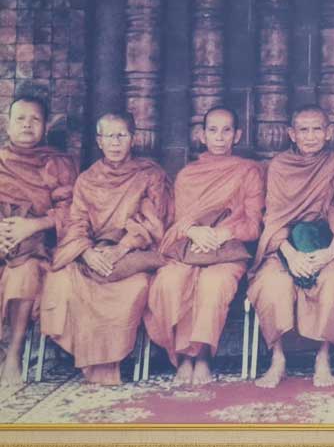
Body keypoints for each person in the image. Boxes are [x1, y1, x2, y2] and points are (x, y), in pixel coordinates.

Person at [41, 111, 172, 385]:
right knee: (61, 280)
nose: (115, 142)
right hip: (94, 254)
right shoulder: (87, 179)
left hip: (134, 256)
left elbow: (156, 222)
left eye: (121, 135)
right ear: (99, 141)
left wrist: (122, 248)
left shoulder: (149, 175)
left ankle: (110, 361)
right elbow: (76, 223)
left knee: (136, 287)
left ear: (133, 139)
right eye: (109, 136)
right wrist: (86, 252)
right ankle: (89, 358)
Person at [145, 106, 264, 385]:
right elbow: (177, 222)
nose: (219, 137)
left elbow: (253, 225)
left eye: (226, 130)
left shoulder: (248, 171)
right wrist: (194, 232)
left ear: (237, 135)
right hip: (188, 249)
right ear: (202, 135)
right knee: (170, 281)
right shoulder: (187, 175)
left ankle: (202, 357)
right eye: (213, 130)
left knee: (213, 284)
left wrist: (224, 233)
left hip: (227, 252)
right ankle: (182, 357)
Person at [247, 105, 334, 388]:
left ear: (329, 132)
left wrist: (331, 251)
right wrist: (291, 255)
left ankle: (323, 357)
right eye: (303, 130)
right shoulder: (279, 166)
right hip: (283, 244)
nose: (310, 136)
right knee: (272, 283)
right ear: (291, 134)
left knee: (333, 279)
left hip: (325, 242)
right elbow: (273, 216)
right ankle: (277, 358)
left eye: (317, 129)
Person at [0, 96, 77, 385]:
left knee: (24, 273)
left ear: (46, 127)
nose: (27, 125)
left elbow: (73, 210)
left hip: (42, 246)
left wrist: (32, 226)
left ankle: (14, 354)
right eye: (20, 119)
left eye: (35, 119)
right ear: (7, 125)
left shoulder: (58, 164)